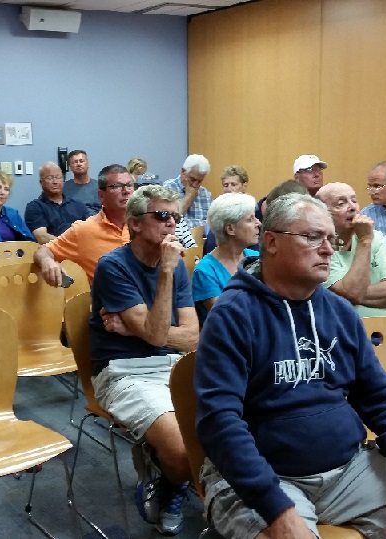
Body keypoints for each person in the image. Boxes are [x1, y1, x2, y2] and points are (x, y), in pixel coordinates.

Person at [196, 193, 386, 539]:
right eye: (312, 237)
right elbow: (219, 422)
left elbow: (378, 392)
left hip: (346, 471)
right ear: (271, 242)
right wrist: (275, 506)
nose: (328, 249)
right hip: (267, 476)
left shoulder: (338, 311)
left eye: (331, 239)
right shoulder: (233, 315)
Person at [90, 184, 199, 535]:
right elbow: (156, 336)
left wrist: (136, 329)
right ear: (135, 224)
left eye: (175, 217)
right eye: (162, 216)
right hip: (123, 372)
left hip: (172, 365)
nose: (171, 225)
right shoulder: (113, 266)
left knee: (236, 427)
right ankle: (171, 473)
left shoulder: (178, 267)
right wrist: (165, 273)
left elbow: (192, 337)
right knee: (184, 454)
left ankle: (170, 478)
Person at [35, 164, 133, 286]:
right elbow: (43, 250)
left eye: (129, 185)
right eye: (117, 186)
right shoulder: (84, 230)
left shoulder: (146, 224)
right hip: (111, 301)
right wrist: (46, 261)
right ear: (101, 196)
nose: (126, 191)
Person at [317, 182, 386, 318]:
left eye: (354, 200)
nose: (352, 207)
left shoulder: (376, 237)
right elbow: (352, 294)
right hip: (344, 332)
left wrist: (351, 292)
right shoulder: (321, 246)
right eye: (341, 204)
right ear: (322, 213)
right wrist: (365, 241)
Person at [193, 193, 260, 321]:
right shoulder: (205, 271)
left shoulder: (257, 258)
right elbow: (227, 318)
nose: (258, 223)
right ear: (230, 228)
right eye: (250, 219)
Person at [24, 162, 89, 244]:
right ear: (41, 183)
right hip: (53, 253)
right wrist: (69, 246)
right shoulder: (34, 207)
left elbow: (90, 229)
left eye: (58, 177)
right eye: (50, 178)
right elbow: (42, 237)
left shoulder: (78, 205)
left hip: (82, 249)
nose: (55, 182)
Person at [162, 154, 212, 228]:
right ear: (183, 172)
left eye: (199, 181)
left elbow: (211, 224)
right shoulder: (168, 188)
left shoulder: (205, 193)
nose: (195, 185)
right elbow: (170, 221)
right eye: (192, 179)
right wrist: (188, 198)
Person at [63, 149, 100, 215]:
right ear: (70, 167)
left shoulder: (100, 186)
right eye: (75, 162)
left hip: (96, 222)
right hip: (72, 223)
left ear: (88, 164)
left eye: (81, 161)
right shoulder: (63, 188)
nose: (79, 164)